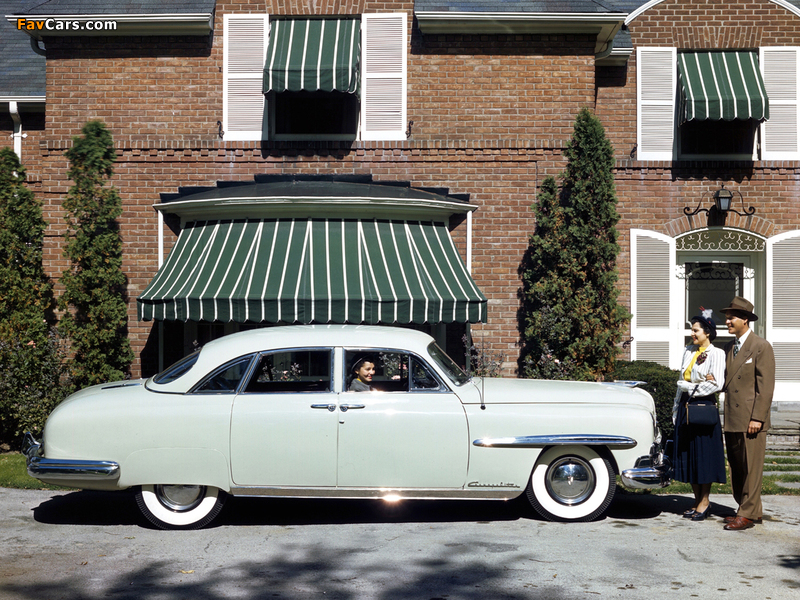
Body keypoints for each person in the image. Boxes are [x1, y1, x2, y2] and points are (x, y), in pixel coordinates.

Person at [720, 296, 775, 531]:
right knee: (738, 466)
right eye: (727, 317)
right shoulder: (729, 347)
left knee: (752, 468)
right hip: (732, 417)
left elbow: (766, 386)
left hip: (751, 418)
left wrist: (758, 417)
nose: (727, 321)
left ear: (745, 320)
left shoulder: (761, 346)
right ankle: (750, 509)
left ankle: (746, 514)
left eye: (731, 317)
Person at [672, 309, 726, 521]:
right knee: (691, 456)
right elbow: (682, 381)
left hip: (703, 409)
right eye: (692, 330)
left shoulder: (717, 354)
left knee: (703, 458)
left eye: (695, 330)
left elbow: (716, 384)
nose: (692, 333)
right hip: (686, 407)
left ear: (708, 332)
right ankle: (696, 501)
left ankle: (705, 502)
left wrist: (689, 386)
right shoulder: (688, 350)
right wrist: (676, 407)